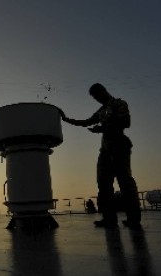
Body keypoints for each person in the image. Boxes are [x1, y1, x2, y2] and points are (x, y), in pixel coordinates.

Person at [60, 83, 141, 229]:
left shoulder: (119, 104)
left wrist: (102, 128)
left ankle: (133, 219)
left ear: (104, 91)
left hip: (119, 146)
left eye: (97, 95)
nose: (96, 99)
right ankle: (109, 219)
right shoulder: (101, 111)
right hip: (105, 150)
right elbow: (85, 122)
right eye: (94, 97)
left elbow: (126, 122)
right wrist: (65, 119)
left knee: (125, 182)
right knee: (103, 184)